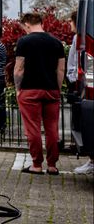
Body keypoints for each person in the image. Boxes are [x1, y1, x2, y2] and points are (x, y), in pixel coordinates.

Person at [13, 12, 67, 175]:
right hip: (51, 90)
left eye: (23, 26)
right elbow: (60, 69)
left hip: (30, 90)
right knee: (52, 128)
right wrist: (56, 89)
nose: (24, 30)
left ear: (27, 23)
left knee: (33, 128)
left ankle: (36, 165)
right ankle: (52, 165)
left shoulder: (24, 41)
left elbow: (19, 69)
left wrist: (17, 89)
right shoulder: (56, 42)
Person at [66, 10, 93, 175]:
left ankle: (91, 161)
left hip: (79, 83)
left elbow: (74, 61)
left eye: (71, 21)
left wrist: (73, 79)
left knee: (83, 122)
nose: (69, 24)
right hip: (79, 80)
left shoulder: (79, 38)